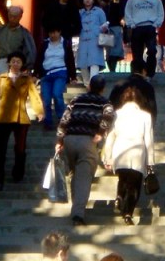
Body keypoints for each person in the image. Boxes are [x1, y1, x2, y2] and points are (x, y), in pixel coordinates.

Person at [56, 74, 116, 226]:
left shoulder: (76, 100)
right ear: (103, 89)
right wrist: (101, 133)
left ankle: (76, 207)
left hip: (70, 139)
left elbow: (65, 119)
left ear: (89, 86)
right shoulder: (105, 103)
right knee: (83, 178)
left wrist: (59, 140)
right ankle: (78, 214)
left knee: (74, 174)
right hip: (87, 141)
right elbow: (108, 117)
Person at [0, 51, 44, 190]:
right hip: (3, 117)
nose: (15, 64)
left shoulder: (26, 79)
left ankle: (18, 173)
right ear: (9, 63)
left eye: (18, 61)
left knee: (20, 148)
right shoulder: (1, 79)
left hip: (20, 117)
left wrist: (39, 111)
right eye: (13, 61)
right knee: (0, 149)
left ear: (22, 64)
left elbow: (34, 96)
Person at [101, 86, 155, 225]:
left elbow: (111, 137)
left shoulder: (117, 114)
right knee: (134, 185)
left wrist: (108, 156)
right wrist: (150, 162)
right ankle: (128, 214)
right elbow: (148, 140)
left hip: (120, 151)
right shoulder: (145, 116)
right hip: (137, 152)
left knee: (123, 178)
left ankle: (119, 196)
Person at [0, 5, 36, 100]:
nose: (12, 18)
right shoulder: (0, 30)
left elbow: (30, 50)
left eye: (15, 16)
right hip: (1, 61)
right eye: (11, 15)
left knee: (10, 92)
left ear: (20, 16)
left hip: (16, 63)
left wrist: (28, 66)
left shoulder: (24, 33)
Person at [123, 0, 165, 78]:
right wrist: (131, 24)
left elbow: (161, 14)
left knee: (152, 50)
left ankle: (150, 73)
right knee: (137, 53)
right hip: (137, 27)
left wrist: (156, 24)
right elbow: (128, 13)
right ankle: (137, 72)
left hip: (150, 27)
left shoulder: (156, 0)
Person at [38, 26, 68, 131]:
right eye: (50, 32)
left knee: (57, 94)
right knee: (46, 99)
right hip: (46, 73)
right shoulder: (45, 44)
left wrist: (72, 75)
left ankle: (62, 118)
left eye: (55, 32)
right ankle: (48, 121)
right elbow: (39, 59)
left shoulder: (65, 43)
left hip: (60, 71)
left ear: (59, 31)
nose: (52, 35)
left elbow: (70, 59)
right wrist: (36, 74)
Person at [76, 0, 109, 86]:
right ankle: (87, 84)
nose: (87, 0)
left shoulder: (99, 11)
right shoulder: (80, 12)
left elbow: (105, 24)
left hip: (95, 40)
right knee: (83, 63)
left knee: (95, 62)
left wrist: (101, 29)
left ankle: (93, 84)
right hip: (83, 40)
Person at [104, 0, 127, 72]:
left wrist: (124, 19)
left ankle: (113, 70)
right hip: (108, 29)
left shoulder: (124, 4)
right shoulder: (108, 5)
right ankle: (111, 70)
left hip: (118, 29)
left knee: (116, 51)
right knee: (109, 52)